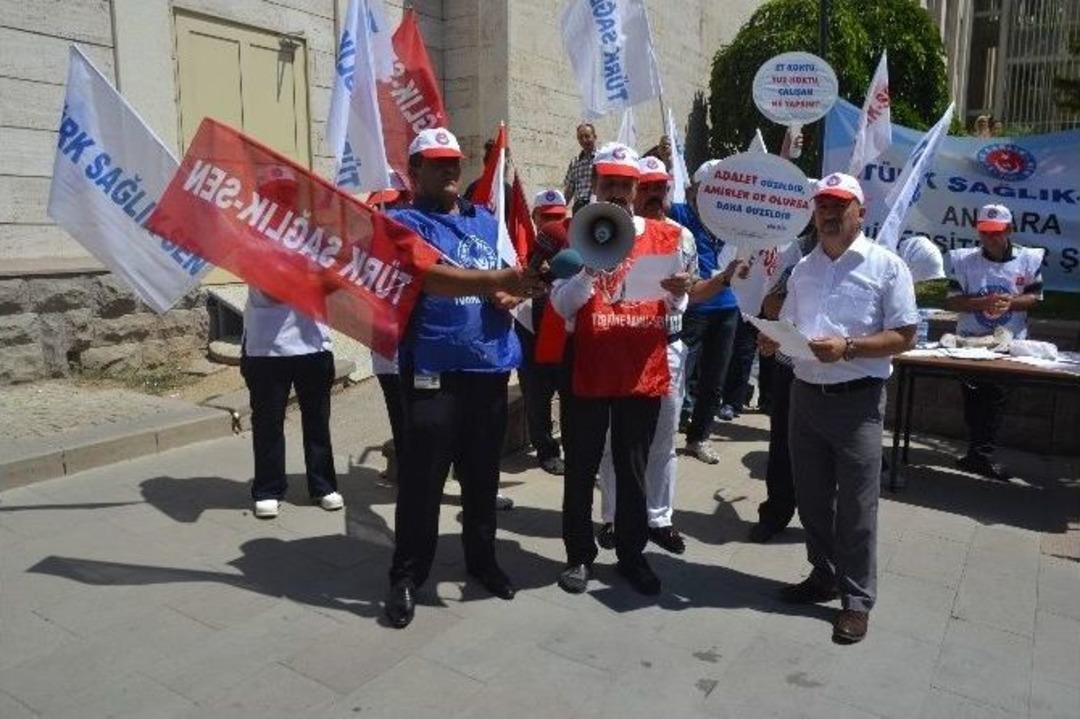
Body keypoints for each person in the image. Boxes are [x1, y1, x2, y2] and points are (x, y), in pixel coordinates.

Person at [383, 128, 546, 629]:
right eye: (436, 163)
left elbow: (510, 274)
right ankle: (407, 576)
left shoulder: (485, 219)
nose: (450, 170)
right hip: (433, 370)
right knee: (422, 480)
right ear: (415, 172)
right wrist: (497, 281)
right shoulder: (403, 221)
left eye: (454, 161)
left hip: (489, 369)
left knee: (482, 477)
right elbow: (430, 277)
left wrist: (514, 292)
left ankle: (482, 562)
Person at [766, 172, 918, 644]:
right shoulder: (805, 267)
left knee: (855, 507)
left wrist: (849, 347)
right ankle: (823, 574)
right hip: (805, 396)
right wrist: (773, 340)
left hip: (857, 404)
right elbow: (788, 321)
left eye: (839, 206)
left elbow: (905, 335)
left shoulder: (887, 267)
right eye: (822, 206)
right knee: (811, 497)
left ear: (861, 212)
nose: (829, 214)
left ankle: (856, 600)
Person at [550, 142, 689, 596]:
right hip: (588, 366)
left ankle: (633, 555)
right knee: (582, 466)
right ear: (595, 184)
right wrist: (588, 273)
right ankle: (578, 556)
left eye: (625, 185)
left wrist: (680, 291)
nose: (617, 192)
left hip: (640, 368)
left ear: (636, 189)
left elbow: (674, 306)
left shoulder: (665, 236)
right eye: (609, 183)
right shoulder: (574, 231)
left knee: (634, 468)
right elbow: (561, 307)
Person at [596, 156, 697, 555]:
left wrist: (682, 289)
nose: (655, 194)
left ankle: (659, 518)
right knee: (613, 440)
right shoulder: (608, 233)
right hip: (619, 347)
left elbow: (685, 298)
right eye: (649, 187)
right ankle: (612, 517)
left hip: (666, 345)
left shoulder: (680, 236)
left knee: (663, 439)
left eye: (661, 188)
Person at [944, 203, 1043, 481]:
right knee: (973, 399)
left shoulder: (1028, 259)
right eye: (985, 232)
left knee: (996, 399)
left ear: (1009, 230)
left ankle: (982, 454)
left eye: (996, 232)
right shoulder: (964, 260)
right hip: (971, 343)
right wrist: (981, 303)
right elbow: (951, 300)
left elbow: (1034, 297)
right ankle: (976, 454)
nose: (990, 238)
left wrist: (1009, 302)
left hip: (1007, 344)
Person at [241, 288, 343, 519]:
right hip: (267, 346)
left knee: (317, 419)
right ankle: (268, 488)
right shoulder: (257, 251)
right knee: (268, 422)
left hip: (314, 343)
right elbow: (273, 290)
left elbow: (333, 284)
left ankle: (323, 485)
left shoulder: (321, 250)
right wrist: (307, 278)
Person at [671, 160, 741, 464]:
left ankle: (699, 437)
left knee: (714, 380)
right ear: (692, 191)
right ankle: (664, 433)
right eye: (706, 189)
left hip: (728, 308)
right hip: (693, 307)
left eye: (719, 190)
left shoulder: (733, 219)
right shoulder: (680, 213)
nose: (714, 196)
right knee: (677, 374)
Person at [517, 189, 572, 475]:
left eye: (558, 217)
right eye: (546, 217)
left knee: (570, 395)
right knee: (537, 397)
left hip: (565, 332)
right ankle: (546, 450)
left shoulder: (576, 245)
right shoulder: (518, 246)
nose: (552, 222)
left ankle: (573, 447)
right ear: (535, 217)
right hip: (530, 330)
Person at [563, 123, 598, 213]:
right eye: (580, 137)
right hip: (579, 208)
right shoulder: (575, 162)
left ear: (594, 137)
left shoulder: (601, 159)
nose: (584, 140)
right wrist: (562, 208)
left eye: (587, 136)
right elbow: (569, 190)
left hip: (597, 206)